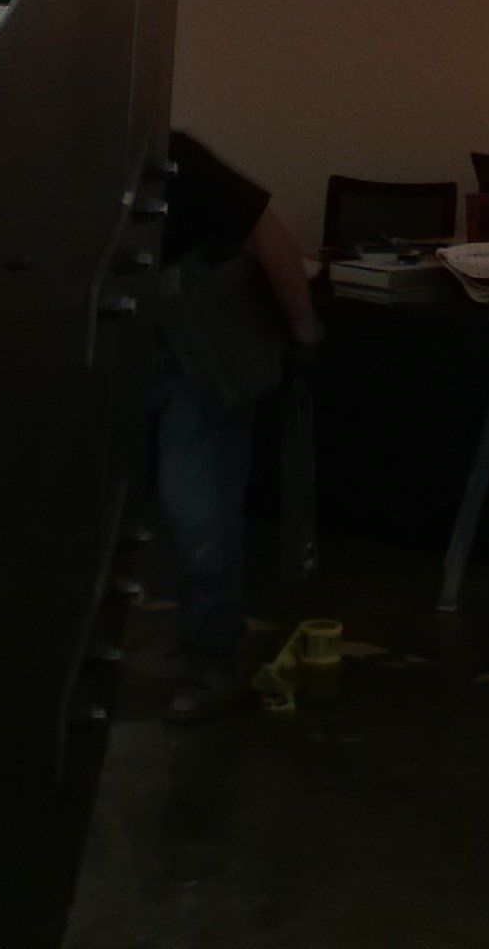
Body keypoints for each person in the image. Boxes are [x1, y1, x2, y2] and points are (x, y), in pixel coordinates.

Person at [151, 131, 322, 723]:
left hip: (185, 356)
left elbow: (265, 233)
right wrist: (304, 333)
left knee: (201, 517)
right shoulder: (166, 152)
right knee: (202, 515)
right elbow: (267, 235)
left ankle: (211, 661)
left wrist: (304, 331)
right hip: (190, 355)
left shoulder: (161, 157)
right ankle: (208, 662)